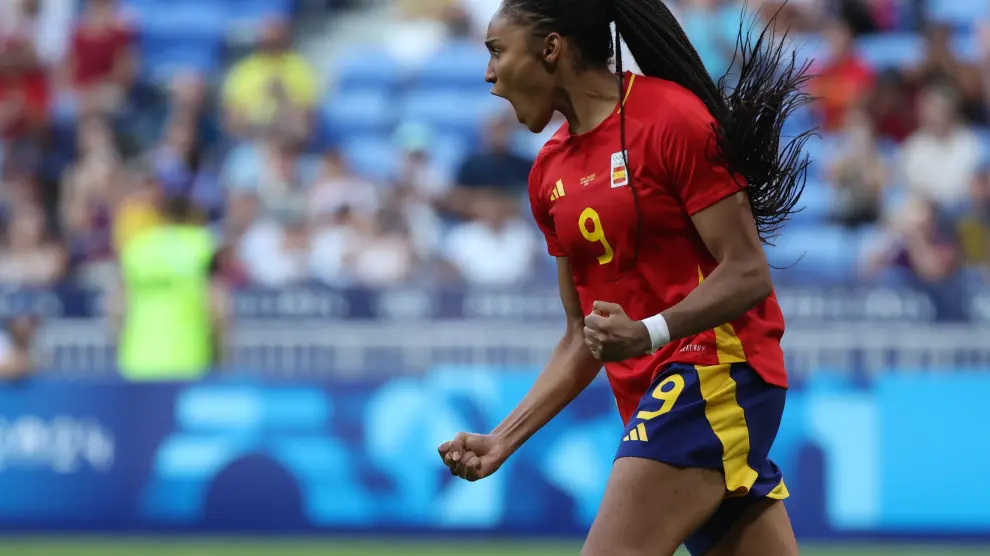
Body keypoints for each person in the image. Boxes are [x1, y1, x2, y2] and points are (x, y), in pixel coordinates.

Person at [436, 1, 813, 555]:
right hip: (657, 393)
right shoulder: (547, 174)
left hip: (715, 372)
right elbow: (579, 337)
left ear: (551, 48)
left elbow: (748, 271)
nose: (489, 74)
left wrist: (651, 331)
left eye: (496, 51)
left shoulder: (670, 119)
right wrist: (502, 439)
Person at [114, 179, 228, 380]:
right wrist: (221, 357)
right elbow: (218, 308)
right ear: (195, 213)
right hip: (190, 360)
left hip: (137, 362)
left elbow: (116, 309)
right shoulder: (202, 245)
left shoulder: (138, 247)